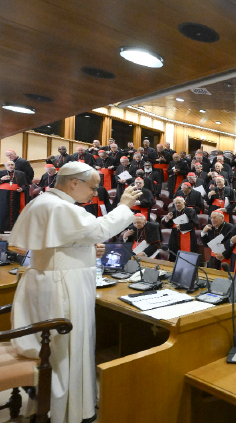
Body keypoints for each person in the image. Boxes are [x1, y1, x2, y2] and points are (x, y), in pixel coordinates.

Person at [9, 161, 140, 423]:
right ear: (74, 183)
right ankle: (66, 412)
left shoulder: (44, 201)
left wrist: (89, 248)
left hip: (51, 281)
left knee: (64, 350)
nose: (94, 193)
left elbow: (61, 244)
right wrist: (124, 206)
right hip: (63, 287)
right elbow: (100, 229)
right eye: (92, 187)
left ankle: (64, 407)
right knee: (66, 350)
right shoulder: (59, 206)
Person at [0, 160, 30, 232]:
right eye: (8, 165)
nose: (10, 166)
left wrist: (22, 189)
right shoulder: (1, 173)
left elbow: (27, 186)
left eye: (12, 165)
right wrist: (1, 179)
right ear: (5, 166)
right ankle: (2, 229)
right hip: (3, 197)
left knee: (15, 212)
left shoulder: (21, 174)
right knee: (3, 212)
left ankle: (15, 230)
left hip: (16, 197)